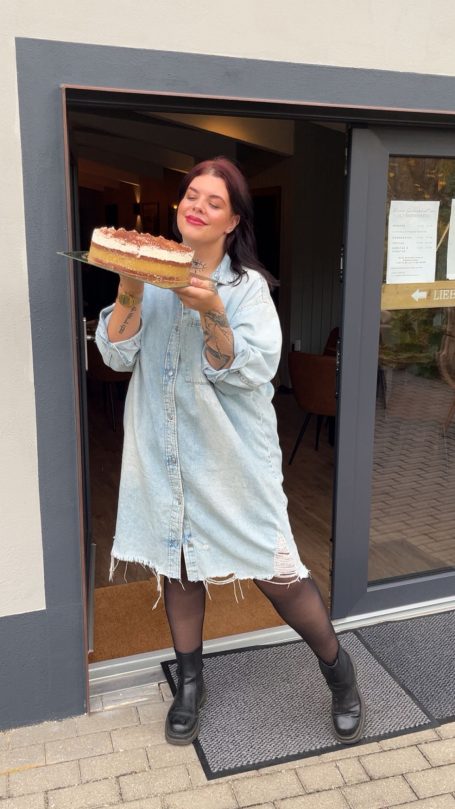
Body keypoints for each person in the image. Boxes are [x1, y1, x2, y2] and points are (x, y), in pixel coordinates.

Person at [95, 156, 365, 747]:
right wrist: (129, 288)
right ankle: (190, 687)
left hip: (233, 463)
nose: (197, 206)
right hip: (164, 455)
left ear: (232, 221)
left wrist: (212, 310)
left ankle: (340, 674)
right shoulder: (152, 273)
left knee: (278, 571)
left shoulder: (247, 292)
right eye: (192, 195)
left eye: (213, 202)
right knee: (181, 566)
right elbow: (115, 355)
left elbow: (252, 370)